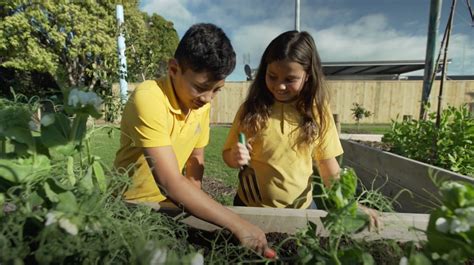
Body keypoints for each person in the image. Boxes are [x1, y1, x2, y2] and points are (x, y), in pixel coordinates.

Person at [114, 23, 272, 255]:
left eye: (217, 89)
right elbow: (168, 182)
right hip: (132, 209)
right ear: (173, 69)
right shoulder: (149, 97)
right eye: (200, 87)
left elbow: (195, 157)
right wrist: (239, 225)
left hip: (173, 208)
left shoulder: (200, 104)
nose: (208, 98)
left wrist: (192, 195)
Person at [222, 30, 379, 228]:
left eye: (290, 79)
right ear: (264, 72)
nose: (279, 86)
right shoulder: (250, 109)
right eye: (272, 76)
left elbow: (328, 168)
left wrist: (350, 203)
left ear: (307, 76)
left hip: (301, 211)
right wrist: (234, 156)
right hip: (249, 209)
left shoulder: (318, 113)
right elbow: (228, 155)